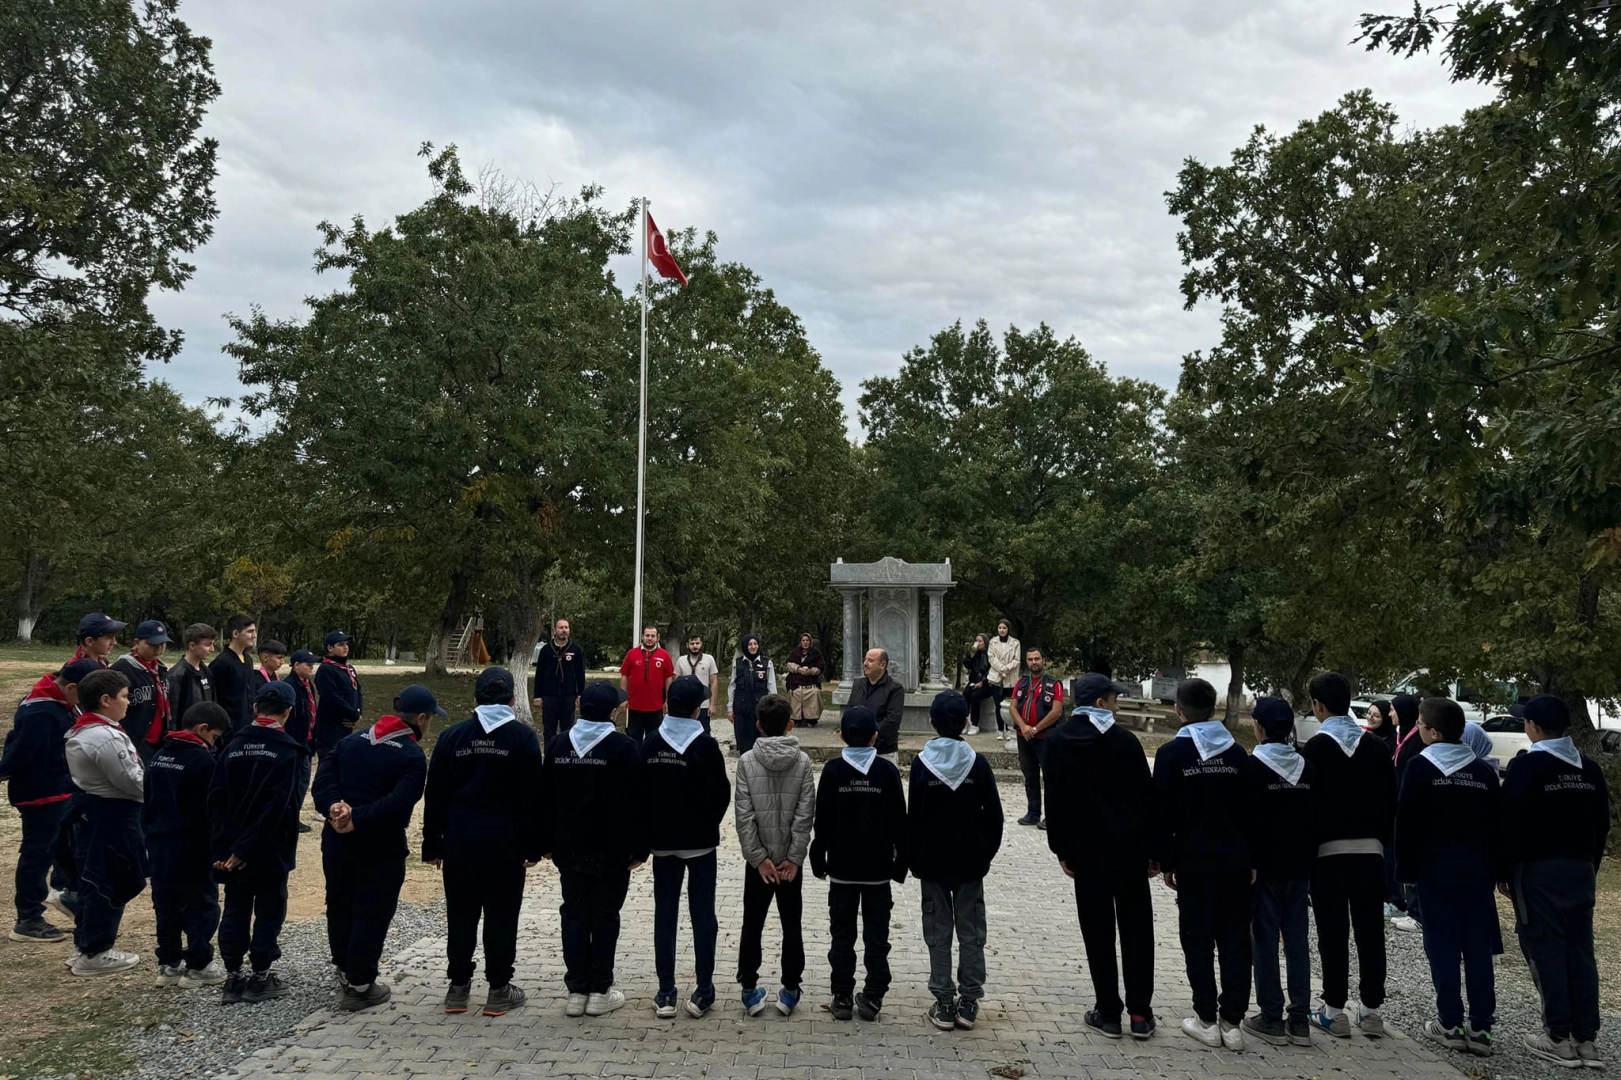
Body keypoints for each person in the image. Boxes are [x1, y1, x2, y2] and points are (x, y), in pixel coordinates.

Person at [422, 667, 545, 1017]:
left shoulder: (452, 736)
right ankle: (499, 988)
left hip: (459, 841)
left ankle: (458, 987)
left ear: (475, 698)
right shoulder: (522, 738)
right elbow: (532, 798)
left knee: (460, 914)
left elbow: (435, 794)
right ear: (513, 699)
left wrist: (432, 844)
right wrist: (533, 846)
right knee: (502, 915)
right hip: (505, 844)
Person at [1499, 694, 1611, 1069]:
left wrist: (1503, 872)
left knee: (1545, 947)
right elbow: (1601, 824)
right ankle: (1586, 1039)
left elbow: (1510, 823)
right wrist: (1590, 865)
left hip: (1538, 871)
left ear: (1533, 726)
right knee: (1581, 951)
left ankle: (1557, 1036)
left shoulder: (1527, 766)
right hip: (1580, 868)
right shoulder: (1589, 769)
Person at [1044, 672, 1157, 1040]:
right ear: (1099, 703)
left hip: (1085, 853)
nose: (1117, 706)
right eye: (1114, 699)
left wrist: (1061, 849)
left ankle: (1108, 1012)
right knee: (1137, 931)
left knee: (1098, 931)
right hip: (1130, 852)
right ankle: (1140, 1013)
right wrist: (1154, 851)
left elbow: (1054, 799)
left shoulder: (1058, 741)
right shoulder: (1126, 742)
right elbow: (1147, 799)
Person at [313, 687, 436, 1011]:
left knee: (340, 902)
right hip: (381, 843)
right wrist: (358, 818)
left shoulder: (350, 741)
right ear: (421, 718)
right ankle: (361, 983)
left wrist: (334, 807)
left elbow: (322, 781)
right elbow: (399, 802)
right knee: (373, 910)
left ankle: (344, 966)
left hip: (336, 838)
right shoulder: (412, 756)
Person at [1396, 697, 1500, 1057]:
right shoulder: (1483, 772)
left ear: (1434, 732)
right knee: (1478, 948)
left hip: (1435, 870)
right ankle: (1482, 1027)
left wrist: (1405, 871)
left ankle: (1450, 1022)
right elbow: (1497, 826)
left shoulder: (1420, 767)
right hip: (1477, 872)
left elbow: (1406, 821)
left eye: (1420, 725)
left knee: (1442, 946)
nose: (1418, 729)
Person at [1154, 678, 1252, 1052]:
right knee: (1235, 940)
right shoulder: (1237, 754)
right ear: (1213, 710)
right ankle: (1233, 1023)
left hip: (1193, 862)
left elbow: (1162, 815)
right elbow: (1252, 813)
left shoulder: (1170, 755)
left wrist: (1165, 861)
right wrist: (1253, 859)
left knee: (1197, 939)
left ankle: (1206, 1020)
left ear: (1178, 709)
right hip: (1235, 863)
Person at [1299, 671, 1396, 1039]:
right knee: (1371, 932)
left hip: (1328, 854)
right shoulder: (1377, 747)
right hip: (1371, 852)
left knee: (1333, 932)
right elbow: (1390, 802)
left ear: (1318, 706)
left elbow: (1308, 806)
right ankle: (1371, 1012)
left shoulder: (1316, 748)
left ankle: (1334, 1010)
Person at [543, 681, 646, 1018]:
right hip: (611, 850)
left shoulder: (558, 744)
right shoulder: (624, 747)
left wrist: (545, 842)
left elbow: (546, 798)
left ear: (579, 708)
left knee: (573, 914)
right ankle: (599, 990)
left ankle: (576, 990)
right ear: (612, 712)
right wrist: (640, 848)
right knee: (604, 916)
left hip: (569, 847)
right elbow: (636, 802)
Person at [909, 690, 1003, 1032]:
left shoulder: (922, 764)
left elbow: (913, 817)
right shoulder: (978, 764)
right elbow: (994, 816)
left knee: (937, 932)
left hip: (932, 863)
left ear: (931, 722)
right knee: (971, 931)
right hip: (969, 864)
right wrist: (984, 854)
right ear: (966, 721)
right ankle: (970, 1000)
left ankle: (944, 1001)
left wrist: (914, 858)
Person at [809, 706, 909, 1024]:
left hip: (841, 869)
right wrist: (901, 864)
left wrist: (817, 857)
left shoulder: (833, 770)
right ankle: (874, 995)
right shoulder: (887, 772)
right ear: (875, 737)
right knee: (877, 937)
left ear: (841, 735)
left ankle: (841, 995)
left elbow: (822, 821)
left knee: (842, 934)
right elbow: (900, 821)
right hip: (878, 870)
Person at [641, 674, 731, 1018]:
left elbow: (640, 793)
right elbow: (720, 794)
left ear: (667, 706)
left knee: (665, 915)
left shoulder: (651, 743)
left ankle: (666, 992)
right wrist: (707, 825)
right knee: (703, 915)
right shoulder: (706, 745)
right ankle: (704, 990)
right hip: (700, 844)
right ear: (697, 711)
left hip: (662, 844)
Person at [210, 681, 303, 1004]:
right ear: (288, 712)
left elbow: (216, 799)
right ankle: (261, 975)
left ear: (254, 708)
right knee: (269, 908)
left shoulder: (231, 746)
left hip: (232, 849)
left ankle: (233, 976)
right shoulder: (288, 751)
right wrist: (246, 848)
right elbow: (278, 806)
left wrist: (226, 849)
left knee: (235, 907)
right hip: (269, 848)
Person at [1, 658, 100, 942]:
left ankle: (69, 895)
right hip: (41, 794)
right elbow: (20, 752)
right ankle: (28, 918)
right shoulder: (42, 710)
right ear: (71, 687)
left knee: (64, 848)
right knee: (38, 853)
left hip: (59, 789)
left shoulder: (55, 703)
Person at [1241, 697, 1319, 1048]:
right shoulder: (1307, 768)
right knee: (1297, 941)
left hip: (1264, 868)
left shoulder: (1251, 767)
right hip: (1300, 866)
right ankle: (1300, 1019)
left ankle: (1271, 1016)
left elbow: (1247, 821)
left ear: (1259, 727)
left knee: (1265, 940)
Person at [734, 694, 815, 1017]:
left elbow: (744, 816)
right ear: (790, 724)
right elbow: (805, 814)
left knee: (752, 923)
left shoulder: (746, 761)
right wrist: (794, 858)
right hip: (789, 864)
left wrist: (758, 859)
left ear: (758, 725)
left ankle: (749, 989)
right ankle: (791, 988)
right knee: (791, 923)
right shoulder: (803, 761)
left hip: (760, 864)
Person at [64, 668, 148, 975]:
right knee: (110, 879)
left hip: (97, 811)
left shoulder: (86, 730)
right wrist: (160, 790)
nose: (128, 702)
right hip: (112, 814)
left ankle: (85, 944)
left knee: (93, 879)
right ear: (105, 700)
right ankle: (96, 950)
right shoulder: (104, 737)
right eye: (124, 696)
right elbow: (131, 781)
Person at [145, 701, 230, 988]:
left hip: (159, 843)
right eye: (215, 737)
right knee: (201, 903)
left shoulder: (158, 757)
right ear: (202, 729)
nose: (215, 744)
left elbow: (147, 800)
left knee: (165, 904)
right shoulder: (202, 761)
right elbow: (213, 808)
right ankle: (199, 964)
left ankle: (169, 962)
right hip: (193, 845)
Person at [1010, 647, 1063, 827]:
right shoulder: (1022, 682)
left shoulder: (1053, 684)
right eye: (1030, 659)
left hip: (1046, 737)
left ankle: (1051, 817)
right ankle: (1033, 813)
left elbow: (1056, 711)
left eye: (1037, 659)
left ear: (1043, 660)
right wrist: (1024, 727)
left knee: (1050, 777)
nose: (1034, 662)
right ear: (1027, 662)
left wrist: (1035, 728)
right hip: (1024, 737)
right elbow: (1012, 707)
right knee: (1030, 776)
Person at [111, 621, 172, 762]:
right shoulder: (122, 669)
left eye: (162, 644)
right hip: (135, 741)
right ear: (137, 643)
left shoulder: (160, 668)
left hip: (160, 739)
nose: (158, 648)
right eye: (152, 644)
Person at [532, 618, 587, 745]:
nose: (564, 630)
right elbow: (539, 674)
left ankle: (564, 754)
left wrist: (580, 695)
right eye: (561, 628)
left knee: (567, 730)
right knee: (549, 730)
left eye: (566, 627)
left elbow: (580, 674)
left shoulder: (576, 649)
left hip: (569, 696)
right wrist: (537, 696)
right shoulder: (546, 650)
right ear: (554, 631)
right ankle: (549, 754)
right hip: (549, 696)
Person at [846, 648, 905, 765]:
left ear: (882, 665)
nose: (865, 663)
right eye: (865, 659)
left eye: (870, 660)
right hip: (856, 750)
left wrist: (869, 736)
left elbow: (892, 720)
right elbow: (849, 712)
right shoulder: (858, 685)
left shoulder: (895, 688)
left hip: (883, 751)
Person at [620, 625, 673, 745]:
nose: (649, 638)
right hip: (635, 707)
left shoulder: (664, 655)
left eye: (652, 636)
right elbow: (624, 676)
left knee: (653, 742)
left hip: (655, 707)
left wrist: (668, 700)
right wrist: (622, 698)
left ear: (658, 638)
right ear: (642, 637)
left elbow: (668, 678)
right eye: (647, 635)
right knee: (633, 741)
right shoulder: (632, 654)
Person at [314, 631, 363, 759]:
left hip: (347, 724)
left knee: (344, 759)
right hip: (331, 725)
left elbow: (357, 690)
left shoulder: (348, 668)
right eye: (340, 644)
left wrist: (358, 712)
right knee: (329, 760)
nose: (345, 647)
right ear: (330, 648)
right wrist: (352, 714)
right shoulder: (326, 669)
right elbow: (331, 697)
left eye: (346, 644)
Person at [284, 650, 319, 832]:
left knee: (303, 781)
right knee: (295, 782)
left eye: (313, 664)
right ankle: (289, 818)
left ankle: (293, 816)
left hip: (307, 740)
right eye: (308, 664)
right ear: (296, 665)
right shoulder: (289, 686)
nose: (311, 667)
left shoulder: (307, 684)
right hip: (295, 741)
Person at [726, 634, 777, 756]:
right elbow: (732, 686)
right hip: (742, 710)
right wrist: (730, 708)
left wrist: (773, 707)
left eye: (755, 644)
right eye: (750, 644)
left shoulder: (767, 663)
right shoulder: (737, 663)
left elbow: (771, 687)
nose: (753, 647)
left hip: (761, 709)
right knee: (744, 744)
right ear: (745, 646)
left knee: (762, 743)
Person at [209, 615, 258, 733]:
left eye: (254, 631)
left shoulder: (248, 659)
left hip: (247, 726)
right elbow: (215, 699)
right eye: (250, 631)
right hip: (229, 729)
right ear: (235, 633)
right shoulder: (221, 663)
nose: (254, 635)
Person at [165, 624, 217, 723]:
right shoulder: (177, 676)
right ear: (192, 646)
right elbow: (172, 714)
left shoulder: (207, 671)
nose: (212, 649)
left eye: (213, 644)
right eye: (208, 645)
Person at [674, 634, 721, 738]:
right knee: (685, 734)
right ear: (687, 645)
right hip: (685, 705)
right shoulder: (681, 660)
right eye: (692, 644)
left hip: (703, 704)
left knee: (703, 733)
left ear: (701, 644)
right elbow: (676, 684)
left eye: (697, 643)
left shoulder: (709, 659)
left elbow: (714, 682)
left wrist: (712, 704)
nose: (695, 646)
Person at [985, 619, 1021, 745]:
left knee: (1010, 705)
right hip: (997, 678)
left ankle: (1009, 729)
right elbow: (991, 658)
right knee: (998, 705)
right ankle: (1000, 730)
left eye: (1004, 628)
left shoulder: (1015, 643)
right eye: (1000, 627)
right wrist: (1001, 668)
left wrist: (1007, 668)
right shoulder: (993, 642)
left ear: (1008, 629)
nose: (1002, 630)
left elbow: (1017, 660)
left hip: (1010, 678)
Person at [784, 633, 825, 728]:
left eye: (807, 640)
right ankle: (795, 718)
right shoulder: (795, 652)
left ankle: (812, 719)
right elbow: (789, 664)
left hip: (811, 681)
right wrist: (798, 669)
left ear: (810, 642)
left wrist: (810, 671)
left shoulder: (816, 653)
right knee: (795, 692)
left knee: (814, 692)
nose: (805, 642)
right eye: (803, 640)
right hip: (796, 682)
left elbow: (820, 667)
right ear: (800, 642)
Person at [962, 635, 992, 737]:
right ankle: (965, 721)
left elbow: (991, 670)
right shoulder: (976, 654)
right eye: (976, 641)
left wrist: (983, 682)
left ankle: (975, 724)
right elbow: (968, 665)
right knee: (965, 694)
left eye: (980, 641)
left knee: (975, 696)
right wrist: (971, 654)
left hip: (987, 683)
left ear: (985, 643)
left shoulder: (989, 654)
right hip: (974, 681)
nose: (978, 643)